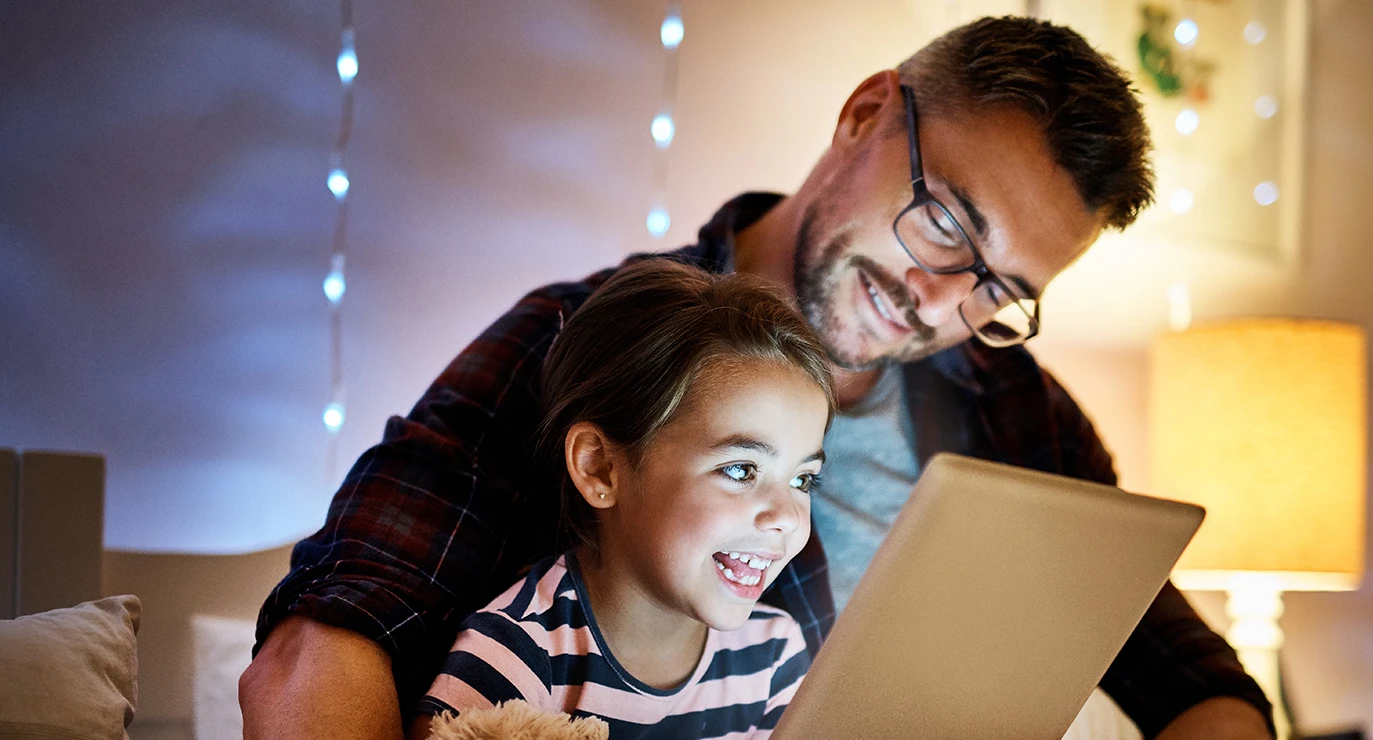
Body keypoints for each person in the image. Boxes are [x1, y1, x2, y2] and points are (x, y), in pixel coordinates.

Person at [241, 16, 1275, 740]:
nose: (938, 295)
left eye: (997, 287)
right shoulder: (590, 343)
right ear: (867, 112)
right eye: (949, 221)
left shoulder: (1021, 413)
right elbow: (335, 627)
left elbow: (1199, 683)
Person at [409, 260, 828, 739]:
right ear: (600, 469)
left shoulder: (775, 657)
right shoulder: (513, 658)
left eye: (802, 480)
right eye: (739, 470)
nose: (786, 518)